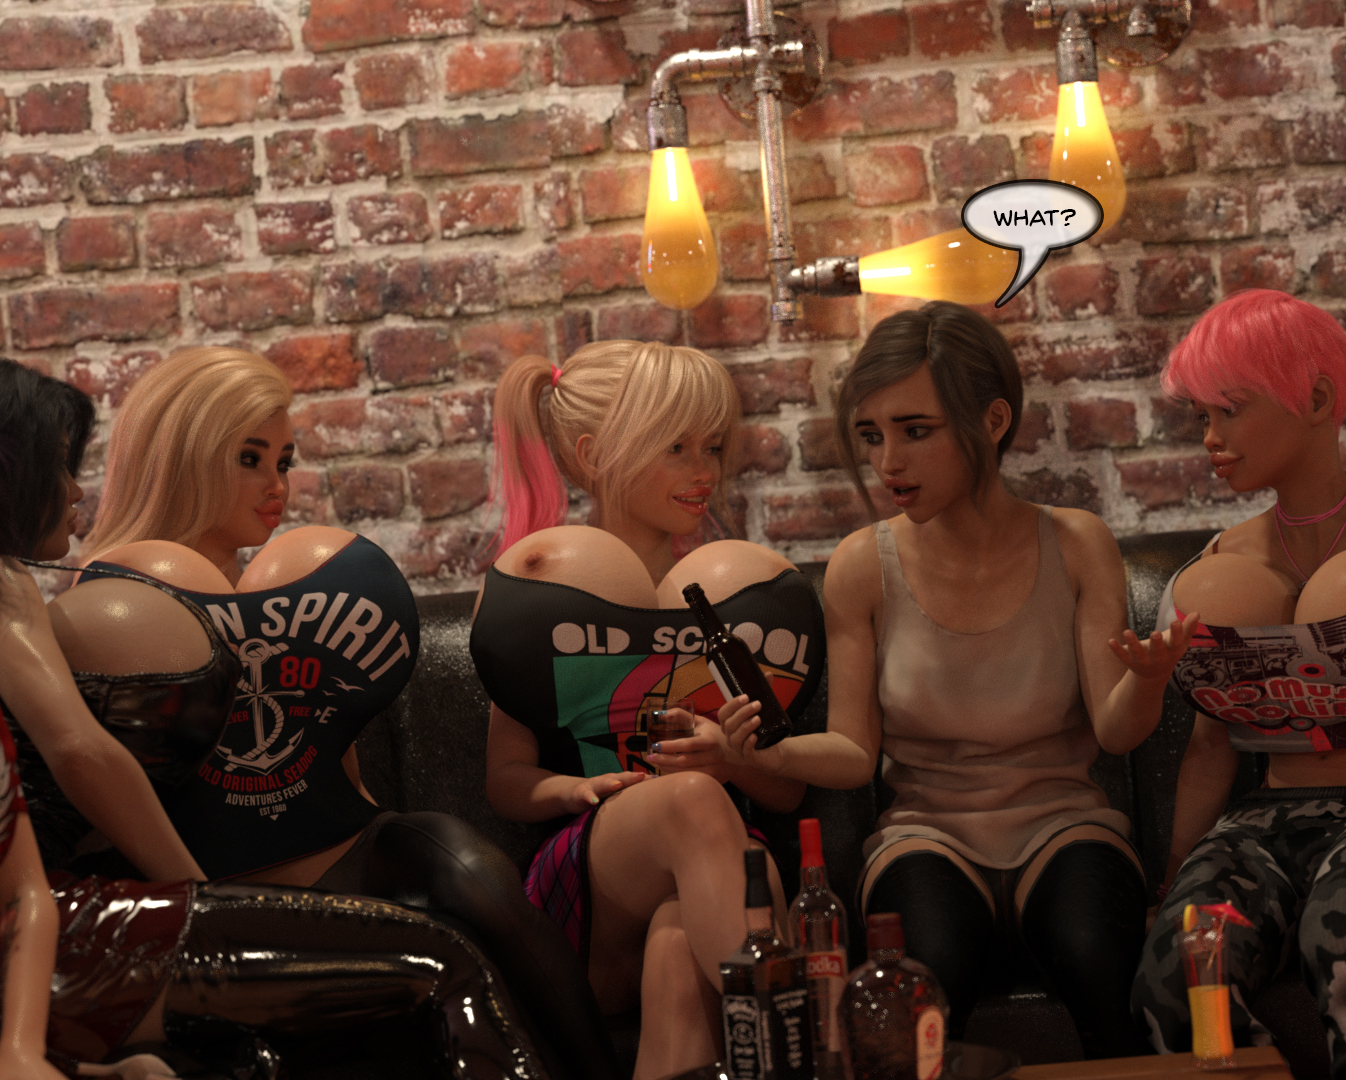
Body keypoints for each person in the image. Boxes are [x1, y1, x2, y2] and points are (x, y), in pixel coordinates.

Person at [67, 347, 618, 1080]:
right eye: (250, 459)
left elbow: (333, 748)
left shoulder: (291, 586)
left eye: (284, 461)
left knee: (459, 859)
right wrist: (195, 894)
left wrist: (364, 825)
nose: (277, 485)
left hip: (334, 849)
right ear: (185, 457)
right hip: (212, 885)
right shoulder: (108, 599)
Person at [716, 300, 1185, 1058]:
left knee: (1098, 956)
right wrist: (765, 751)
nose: (888, 463)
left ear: (992, 420)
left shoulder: (1076, 542)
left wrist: (1152, 679)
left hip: (1064, 823)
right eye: (872, 435)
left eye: (915, 430)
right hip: (925, 835)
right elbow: (852, 752)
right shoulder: (862, 565)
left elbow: (1115, 730)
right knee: (923, 981)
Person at [1118, 289, 1346, 1080]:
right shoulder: (1221, 559)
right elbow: (1210, 745)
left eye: (1229, 410)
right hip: (1260, 817)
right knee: (1176, 973)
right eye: (1201, 417)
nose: (1210, 439)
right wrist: (1171, 882)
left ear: (1316, 400)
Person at [470, 340, 824, 1080]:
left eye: (713, 447)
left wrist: (736, 759)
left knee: (677, 944)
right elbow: (505, 780)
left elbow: (787, 791)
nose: (705, 471)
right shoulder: (537, 596)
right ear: (596, 454)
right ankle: (807, 1053)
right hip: (592, 887)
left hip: (720, 870)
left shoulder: (731, 592)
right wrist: (576, 789)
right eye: (676, 447)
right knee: (689, 799)